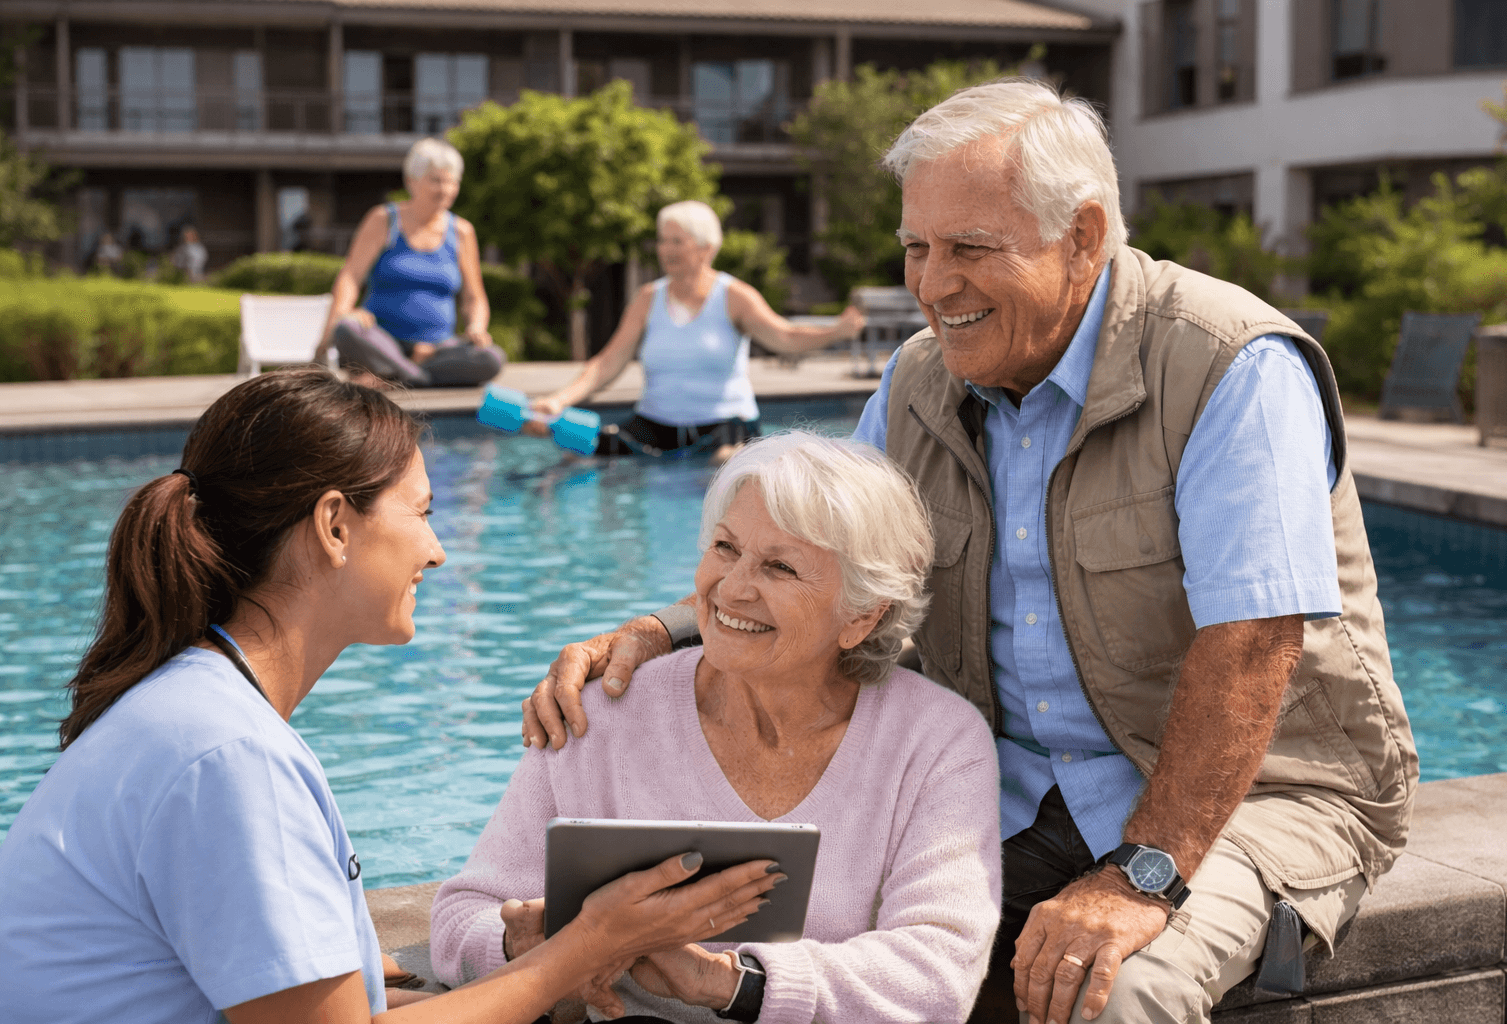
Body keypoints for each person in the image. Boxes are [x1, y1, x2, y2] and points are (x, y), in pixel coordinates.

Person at [518, 80, 1419, 1024]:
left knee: (1115, 992)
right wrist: (661, 634)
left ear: (1082, 236)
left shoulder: (1231, 365)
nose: (931, 284)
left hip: (1260, 800)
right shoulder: (915, 381)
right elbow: (809, 558)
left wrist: (1143, 876)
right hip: (1016, 792)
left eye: (969, 250)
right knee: (738, 950)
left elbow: (1251, 646)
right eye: (916, 248)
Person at [0, 369, 778, 1024]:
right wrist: (592, 943)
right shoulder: (229, 755)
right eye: (423, 513)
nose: (436, 552)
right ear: (335, 525)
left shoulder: (194, 703)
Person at [432, 432, 1002, 1023]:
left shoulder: (936, 741)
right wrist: (526, 946)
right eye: (726, 548)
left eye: (779, 567)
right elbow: (460, 919)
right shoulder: (601, 713)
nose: (732, 589)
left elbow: (939, 974)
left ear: (862, 616)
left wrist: (727, 983)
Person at [526, 201, 865, 461]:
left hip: (725, 427)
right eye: (662, 241)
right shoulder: (647, 299)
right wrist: (559, 400)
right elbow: (606, 363)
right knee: (580, 447)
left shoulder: (734, 297)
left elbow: (785, 337)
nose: (666, 250)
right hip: (654, 426)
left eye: (677, 241)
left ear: (705, 247)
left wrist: (838, 331)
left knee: (723, 463)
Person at [320, 137, 506, 388]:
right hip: (383, 341)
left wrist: (477, 326)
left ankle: (399, 376)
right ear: (412, 182)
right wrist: (343, 314)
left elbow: (474, 297)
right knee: (347, 330)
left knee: (492, 358)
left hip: (438, 349)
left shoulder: (462, 231)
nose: (446, 189)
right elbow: (351, 276)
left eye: (453, 182)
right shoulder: (383, 220)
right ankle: (414, 375)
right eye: (436, 180)